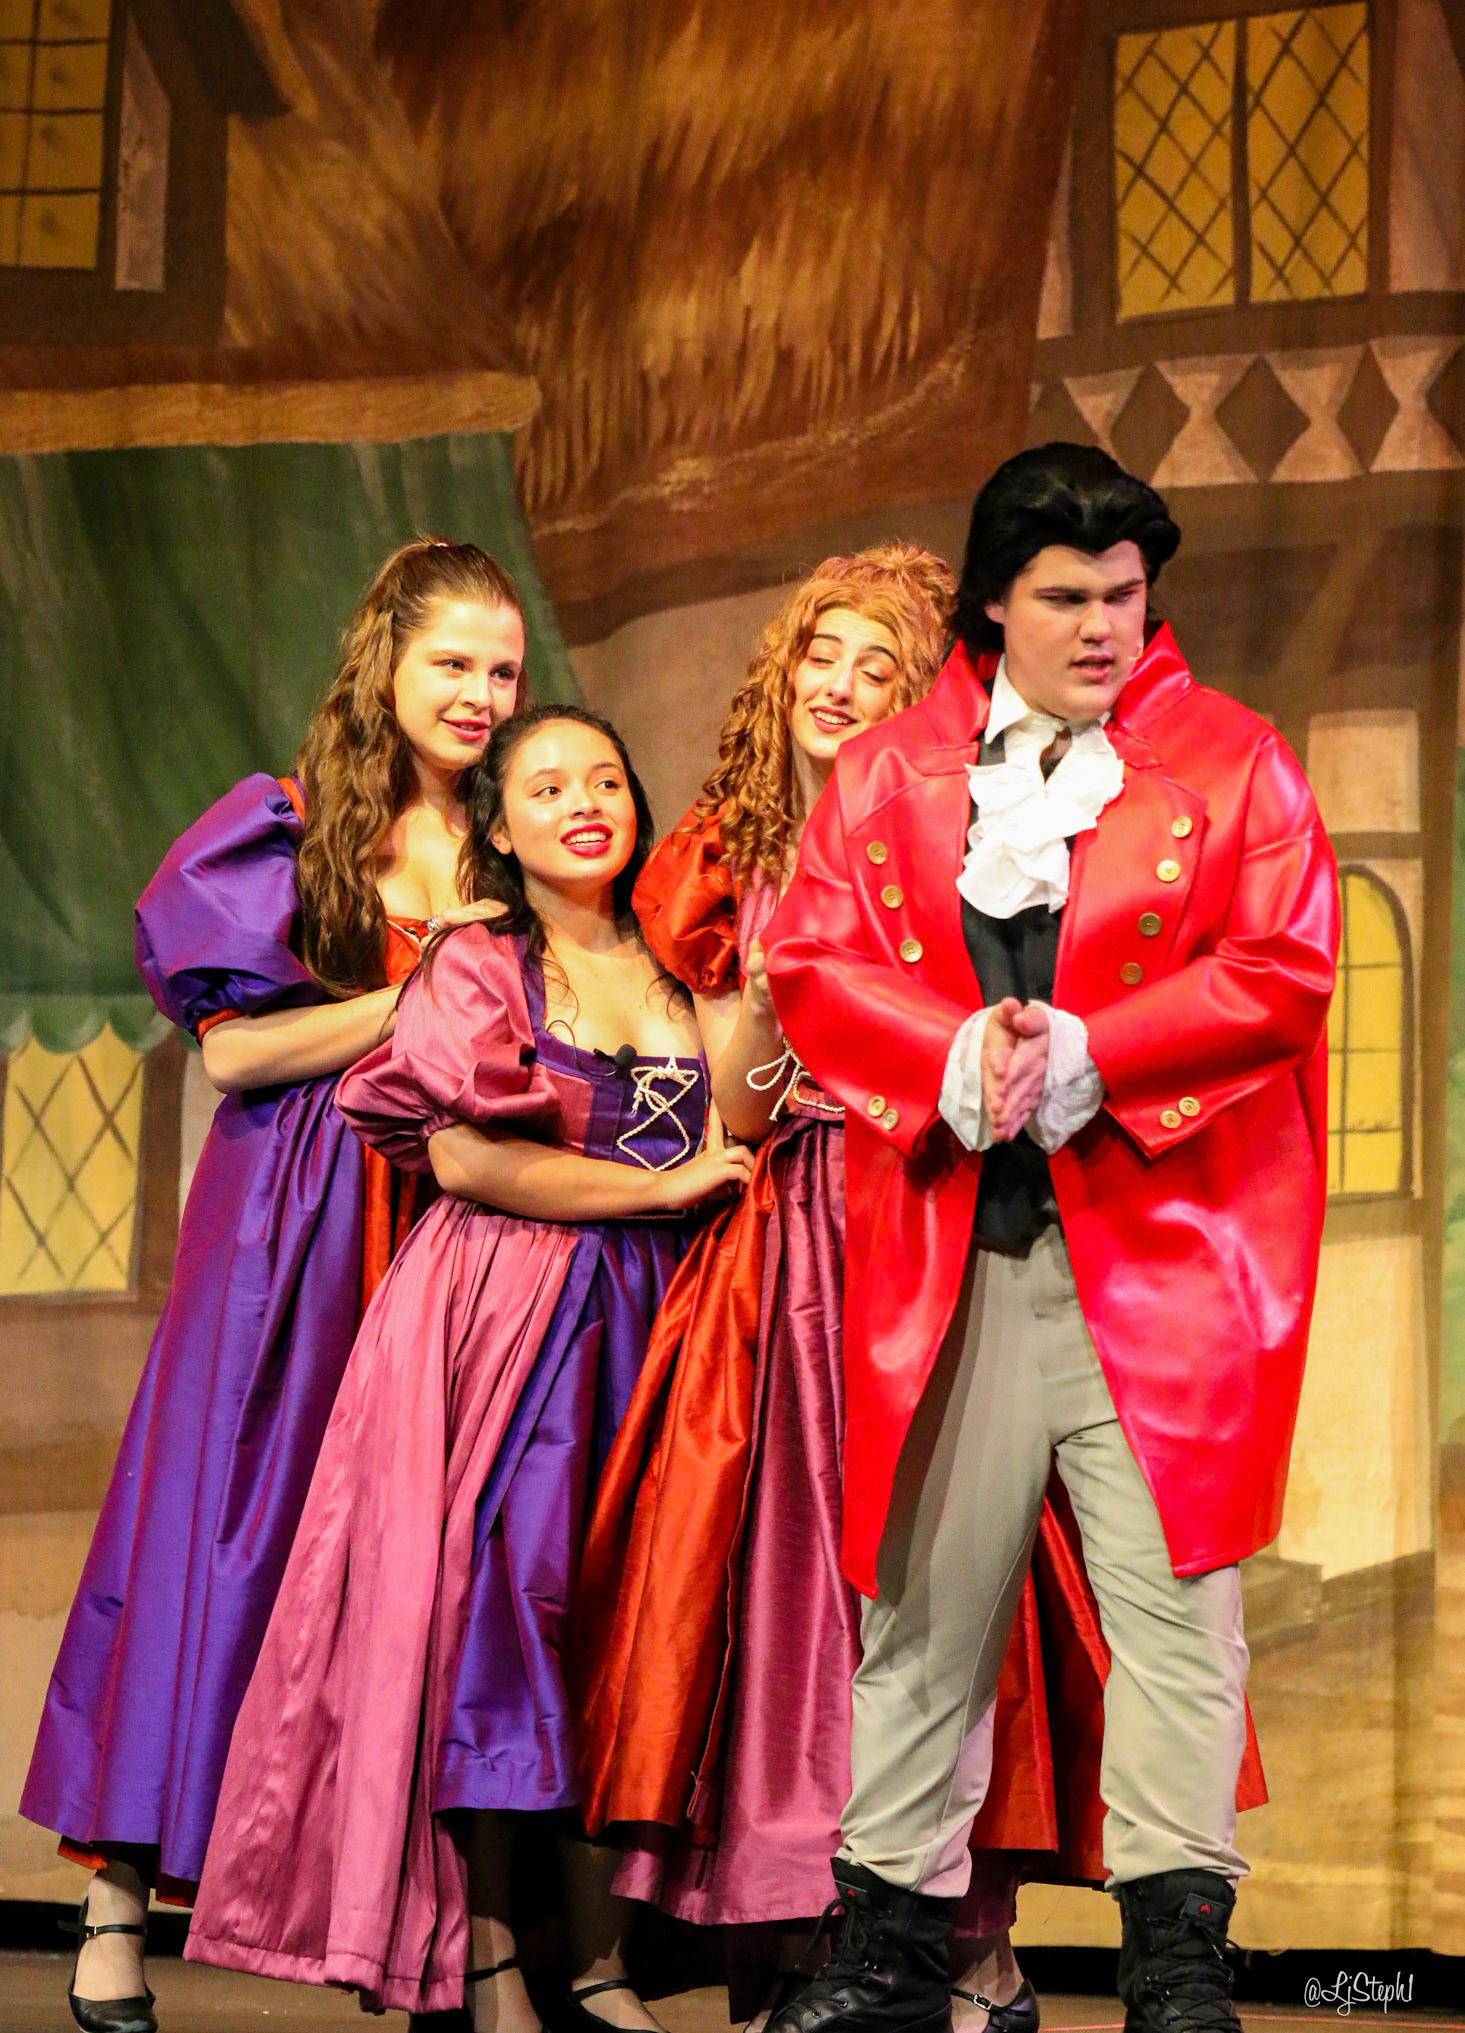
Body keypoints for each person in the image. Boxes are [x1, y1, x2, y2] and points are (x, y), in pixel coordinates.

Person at [759, 444, 1338, 2033]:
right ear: (993, 607)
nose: (1103, 628)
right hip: (957, 1256)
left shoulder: (1232, 763)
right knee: (922, 1611)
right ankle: (886, 1951)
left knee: (1176, 1621)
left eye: (1123, 596)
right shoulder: (887, 775)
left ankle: (1175, 1962)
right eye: (1067, 597)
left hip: (1161, 1259)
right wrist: (947, 1053)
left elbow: (1282, 968)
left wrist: (1097, 1050)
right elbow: (812, 959)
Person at [572, 547, 1123, 2031]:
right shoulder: (726, 861)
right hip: (783, 1255)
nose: (838, 684)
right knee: (783, 1587)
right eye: (820, 654)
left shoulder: (972, 842)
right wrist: (770, 982)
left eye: (878, 668)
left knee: (944, 1572)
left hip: (924, 1221)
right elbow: (738, 1111)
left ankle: (965, 1945)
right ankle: (793, 1945)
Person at [21, 537, 527, 2033]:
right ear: (386, 660)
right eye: (452, 663)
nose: (480, 695)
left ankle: (445, 1941)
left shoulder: (513, 845)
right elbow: (239, 1052)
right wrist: (417, 991)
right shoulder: (288, 828)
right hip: (293, 1225)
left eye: (503, 671)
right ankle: (117, 1913)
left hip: (454, 1227)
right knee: (217, 1545)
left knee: (430, 1572)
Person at [185, 707, 755, 2031]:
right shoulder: (482, 963)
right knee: (501, 1621)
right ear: (497, 825)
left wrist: (759, 995)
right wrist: (655, 1189)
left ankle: (601, 1963)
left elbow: (742, 1117)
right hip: (510, 1315)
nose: (583, 803)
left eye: (604, 780)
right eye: (545, 787)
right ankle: (488, 1958)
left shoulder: (680, 966)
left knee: (627, 1628)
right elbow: (464, 1158)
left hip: (661, 1325)